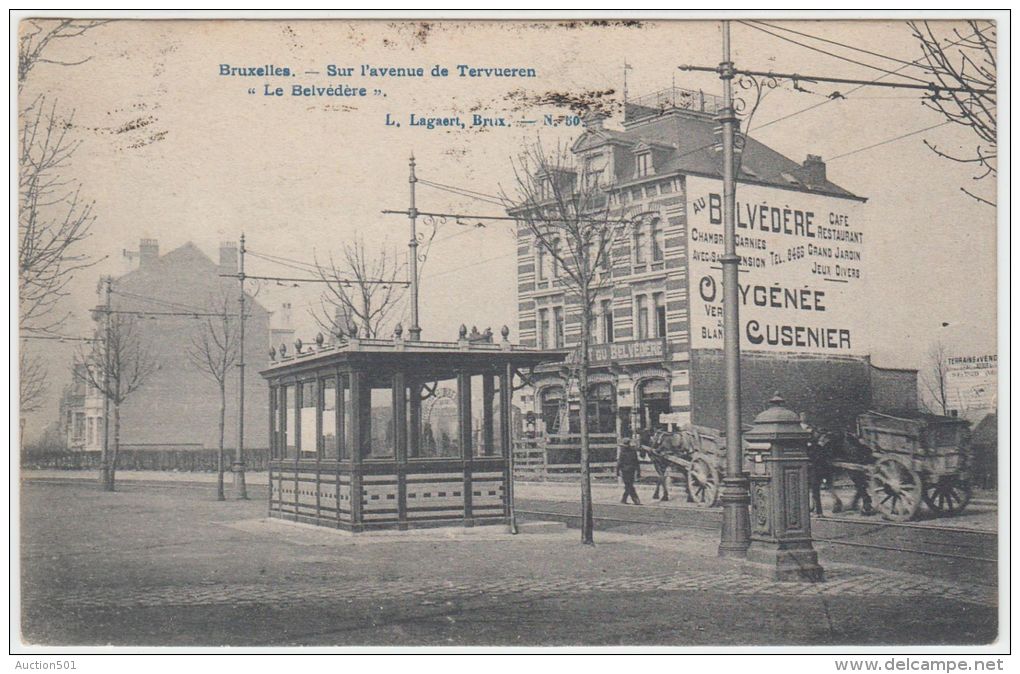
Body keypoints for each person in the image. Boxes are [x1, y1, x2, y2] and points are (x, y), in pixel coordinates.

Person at [616, 436, 642, 505]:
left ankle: (626, 499)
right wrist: (638, 472)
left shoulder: (623, 452)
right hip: (631, 470)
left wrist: (617, 471)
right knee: (629, 485)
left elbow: (619, 463)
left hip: (625, 471)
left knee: (628, 486)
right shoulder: (633, 452)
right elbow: (637, 462)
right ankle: (635, 500)